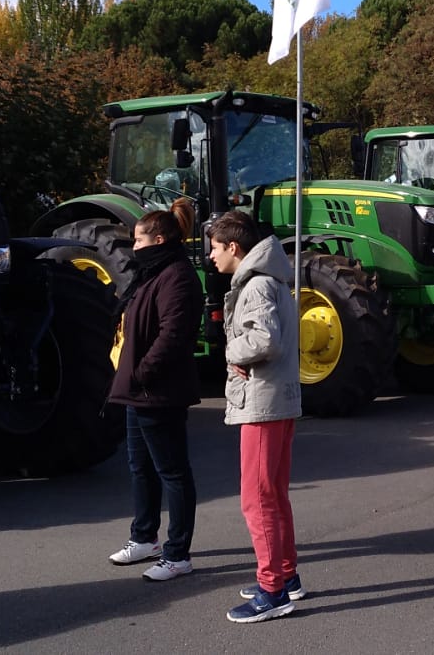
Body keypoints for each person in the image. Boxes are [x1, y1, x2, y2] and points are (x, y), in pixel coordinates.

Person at [208, 211, 304, 624]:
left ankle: (272, 590)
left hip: (262, 403)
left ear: (234, 247)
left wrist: (231, 353)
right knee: (274, 494)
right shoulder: (270, 279)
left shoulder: (256, 284)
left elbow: (264, 339)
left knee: (257, 499)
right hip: (276, 399)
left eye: (214, 248)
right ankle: (285, 575)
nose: (210, 256)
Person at [105, 199, 203, 582]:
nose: (134, 247)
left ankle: (178, 554)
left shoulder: (176, 276)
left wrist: (142, 373)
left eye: (139, 240)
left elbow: (174, 335)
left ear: (159, 239)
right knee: (139, 467)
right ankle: (144, 537)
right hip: (137, 390)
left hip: (159, 391)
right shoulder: (152, 273)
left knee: (173, 472)